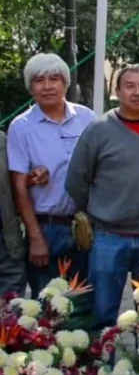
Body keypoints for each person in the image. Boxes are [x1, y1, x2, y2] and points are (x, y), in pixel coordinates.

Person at [65, 65, 139, 328]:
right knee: (102, 315)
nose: (137, 92)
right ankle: (104, 357)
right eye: (129, 86)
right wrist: (95, 211)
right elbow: (76, 180)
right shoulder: (98, 130)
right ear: (117, 91)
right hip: (108, 236)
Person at [7, 53, 95, 296]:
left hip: (85, 226)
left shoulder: (87, 118)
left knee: (85, 304)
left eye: (54, 79)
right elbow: (19, 187)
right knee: (47, 306)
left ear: (65, 83)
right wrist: (35, 237)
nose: (47, 86)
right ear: (30, 88)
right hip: (47, 228)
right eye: (39, 80)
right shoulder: (21, 127)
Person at [0, 132, 26, 296]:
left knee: (12, 306)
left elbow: (15, 185)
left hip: (6, 242)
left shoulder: (2, 141)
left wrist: (31, 179)